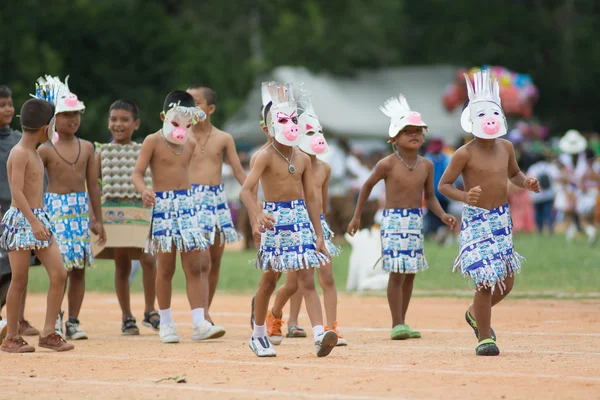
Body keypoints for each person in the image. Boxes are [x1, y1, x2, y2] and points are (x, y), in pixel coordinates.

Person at [438, 70, 539, 356]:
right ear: (471, 120)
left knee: (506, 282)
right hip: (477, 220)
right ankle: (485, 337)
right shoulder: (464, 153)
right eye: (482, 115)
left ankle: (474, 313)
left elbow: (515, 174)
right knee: (485, 279)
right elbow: (444, 185)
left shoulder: (506, 147)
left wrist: (526, 182)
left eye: (493, 113)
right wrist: (464, 196)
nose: (489, 120)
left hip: (501, 220)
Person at [240, 82, 337, 358]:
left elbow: (311, 199)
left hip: (300, 221)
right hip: (275, 221)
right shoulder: (264, 157)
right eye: (283, 120)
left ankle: (320, 334)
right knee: (269, 282)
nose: (290, 125)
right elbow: (246, 191)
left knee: (307, 279)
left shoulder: (303, 159)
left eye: (293, 119)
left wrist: (319, 232)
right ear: (269, 127)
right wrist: (258, 214)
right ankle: (258, 334)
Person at [347, 94, 454, 340]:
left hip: (416, 220)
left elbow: (432, 196)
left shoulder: (426, 165)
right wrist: (356, 217)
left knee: (410, 273)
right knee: (396, 272)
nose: (414, 135)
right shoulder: (387, 164)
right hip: (394, 221)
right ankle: (396, 323)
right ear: (394, 139)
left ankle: (403, 321)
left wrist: (443, 215)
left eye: (418, 131)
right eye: (408, 131)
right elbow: (367, 187)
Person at [132, 90, 222, 343]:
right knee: (166, 267)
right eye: (174, 122)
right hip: (163, 207)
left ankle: (199, 323)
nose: (181, 129)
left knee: (194, 266)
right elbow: (137, 173)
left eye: (187, 123)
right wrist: (144, 190)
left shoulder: (190, 144)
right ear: (163, 116)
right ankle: (167, 323)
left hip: (187, 206)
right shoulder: (152, 141)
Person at [266, 88, 346, 346]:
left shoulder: (324, 167)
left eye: (318, 131)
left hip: (317, 226)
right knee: (294, 284)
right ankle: (276, 315)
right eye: (309, 132)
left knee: (327, 278)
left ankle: (331, 328)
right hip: (295, 225)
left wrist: (321, 231)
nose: (316, 137)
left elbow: (321, 202)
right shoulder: (295, 163)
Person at [35, 75, 106, 340]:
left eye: (77, 114)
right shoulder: (44, 149)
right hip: (54, 210)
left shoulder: (87, 147)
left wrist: (97, 219)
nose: (73, 119)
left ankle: (73, 320)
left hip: (79, 209)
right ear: (54, 117)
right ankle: (54, 319)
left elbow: (93, 186)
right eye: (66, 115)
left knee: (78, 269)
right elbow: (35, 184)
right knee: (59, 269)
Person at [0, 98, 73, 352]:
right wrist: (32, 222)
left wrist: (39, 220)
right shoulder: (19, 153)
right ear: (45, 127)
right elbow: (16, 192)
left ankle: (49, 332)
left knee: (59, 273)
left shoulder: (35, 152)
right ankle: (11, 336)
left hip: (38, 218)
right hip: (23, 220)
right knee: (19, 278)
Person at [93, 100, 159, 335]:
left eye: (124, 119)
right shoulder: (102, 151)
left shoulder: (143, 150)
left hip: (140, 212)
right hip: (114, 213)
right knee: (121, 263)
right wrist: (96, 217)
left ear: (136, 124)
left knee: (149, 258)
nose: (117, 124)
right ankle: (126, 316)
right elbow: (93, 184)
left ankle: (151, 310)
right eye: (113, 119)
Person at [186, 85, 246, 335]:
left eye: (196, 102)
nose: (190, 107)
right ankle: (203, 315)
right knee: (201, 260)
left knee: (215, 259)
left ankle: (204, 314)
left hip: (216, 200)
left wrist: (254, 199)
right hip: (189, 200)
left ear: (210, 109)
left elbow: (239, 171)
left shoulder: (223, 138)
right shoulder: (180, 135)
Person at [0, 85, 39, 336]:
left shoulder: (18, 140)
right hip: (3, 210)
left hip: (21, 212)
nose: (8, 108)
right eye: (2, 104)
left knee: (17, 270)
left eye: (10, 104)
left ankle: (18, 320)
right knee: (4, 269)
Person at [423, 137, 451, 242]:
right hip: (434, 193)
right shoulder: (446, 158)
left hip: (442, 194)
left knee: (438, 216)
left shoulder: (430, 158)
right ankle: (437, 235)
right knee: (433, 216)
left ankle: (439, 235)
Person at [527, 153, 559, 234]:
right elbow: (556, 178)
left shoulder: (533, 168)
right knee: (548, 212)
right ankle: (550, 228)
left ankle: (539, 230)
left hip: (536, 195)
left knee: (538, 213)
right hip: (549, 194)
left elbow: (528, 181)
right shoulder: (550, 167)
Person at [576, 148, 600, 243]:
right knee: (591, 218)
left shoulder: (583, 167)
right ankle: (592, 233)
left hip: (588, 194)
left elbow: (579, 182)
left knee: (583, 218)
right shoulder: (596, 166)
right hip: (595, 194)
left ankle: (591, 232)